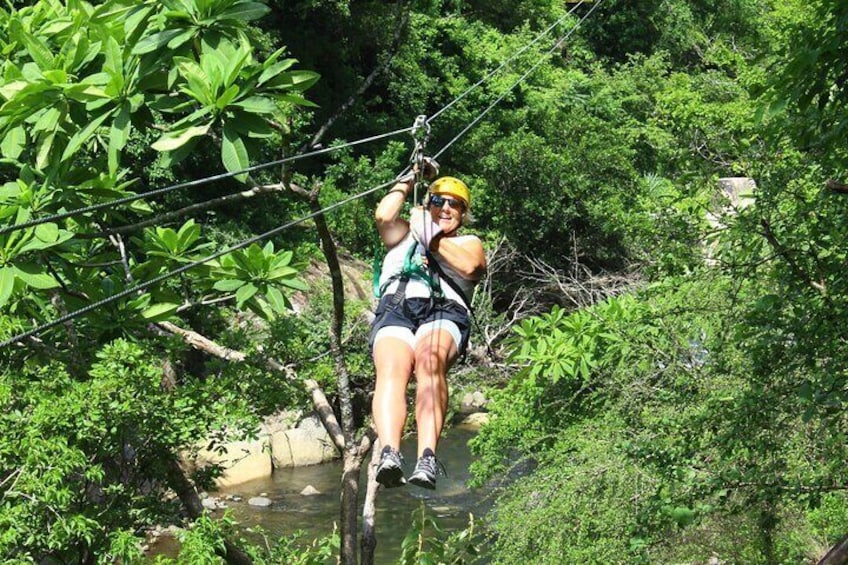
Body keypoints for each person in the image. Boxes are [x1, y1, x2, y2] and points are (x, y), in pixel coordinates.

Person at [370, 171, 486, 489]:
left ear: (463, 214)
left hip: (443, 310)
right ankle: (390, 452)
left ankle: (426, 457)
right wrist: (407, 181)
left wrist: (430, 236)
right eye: (438, 201)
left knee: (429, 362)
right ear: (428, 203)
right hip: (397, 307)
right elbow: (384, 214)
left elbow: (472, 268)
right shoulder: (403, 234)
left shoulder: (466, 243)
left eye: (455, 204)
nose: (445, 208)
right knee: (392, 369)